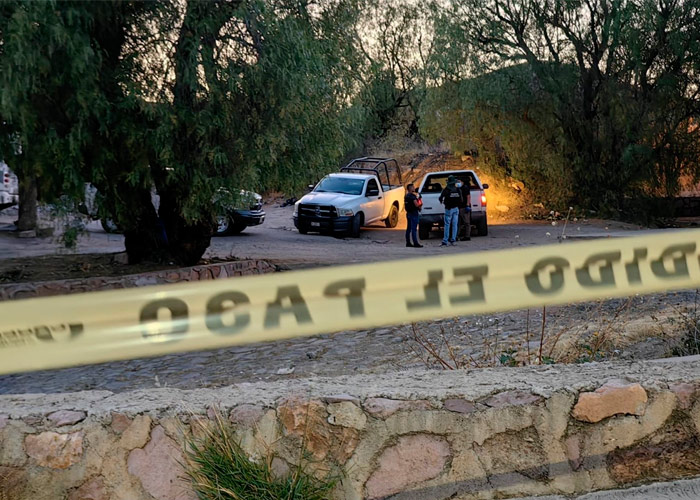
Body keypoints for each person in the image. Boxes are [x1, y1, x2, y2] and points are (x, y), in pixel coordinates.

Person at [439, 175, 462, 247]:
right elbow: (461, 200)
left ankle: (445, 241)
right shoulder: (458, 189)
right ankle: (453, 240)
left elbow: (440, 198)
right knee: (455, 225)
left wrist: (443, 202)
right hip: (456, 208)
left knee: (447, 225)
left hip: (448, 209)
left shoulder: (446, 190)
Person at [404, 183, 423, 248]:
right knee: (414, 229)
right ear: (410, 188)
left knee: (408, 229)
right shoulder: (412, 196)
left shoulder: (406, 196)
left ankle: (408, 242)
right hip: (414, 213)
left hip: (408, 213)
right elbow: (416, 204)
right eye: (413, 187)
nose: (414, 188)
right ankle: (415, 243)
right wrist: (420, 204)